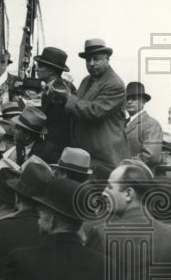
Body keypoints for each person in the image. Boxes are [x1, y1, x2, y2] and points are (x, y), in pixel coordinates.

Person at [48, 38, 127, 178]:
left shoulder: (115, 84)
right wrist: (61, 98)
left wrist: (67, 98)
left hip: (104, 158)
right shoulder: (86, 80)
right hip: (87, 154)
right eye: (88, 60)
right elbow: (77, 105)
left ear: (107, 59)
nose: (91, 64)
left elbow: (95, 111)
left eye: (96, 59)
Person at [124, 81, 163, 168]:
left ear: (143, 101)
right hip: (123, 175)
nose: (129, 102)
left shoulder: (151, 124)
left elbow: (151, 157)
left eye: (134, 98)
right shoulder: (123, 124)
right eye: (127, 99)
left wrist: (123, 164)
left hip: (140, 177)